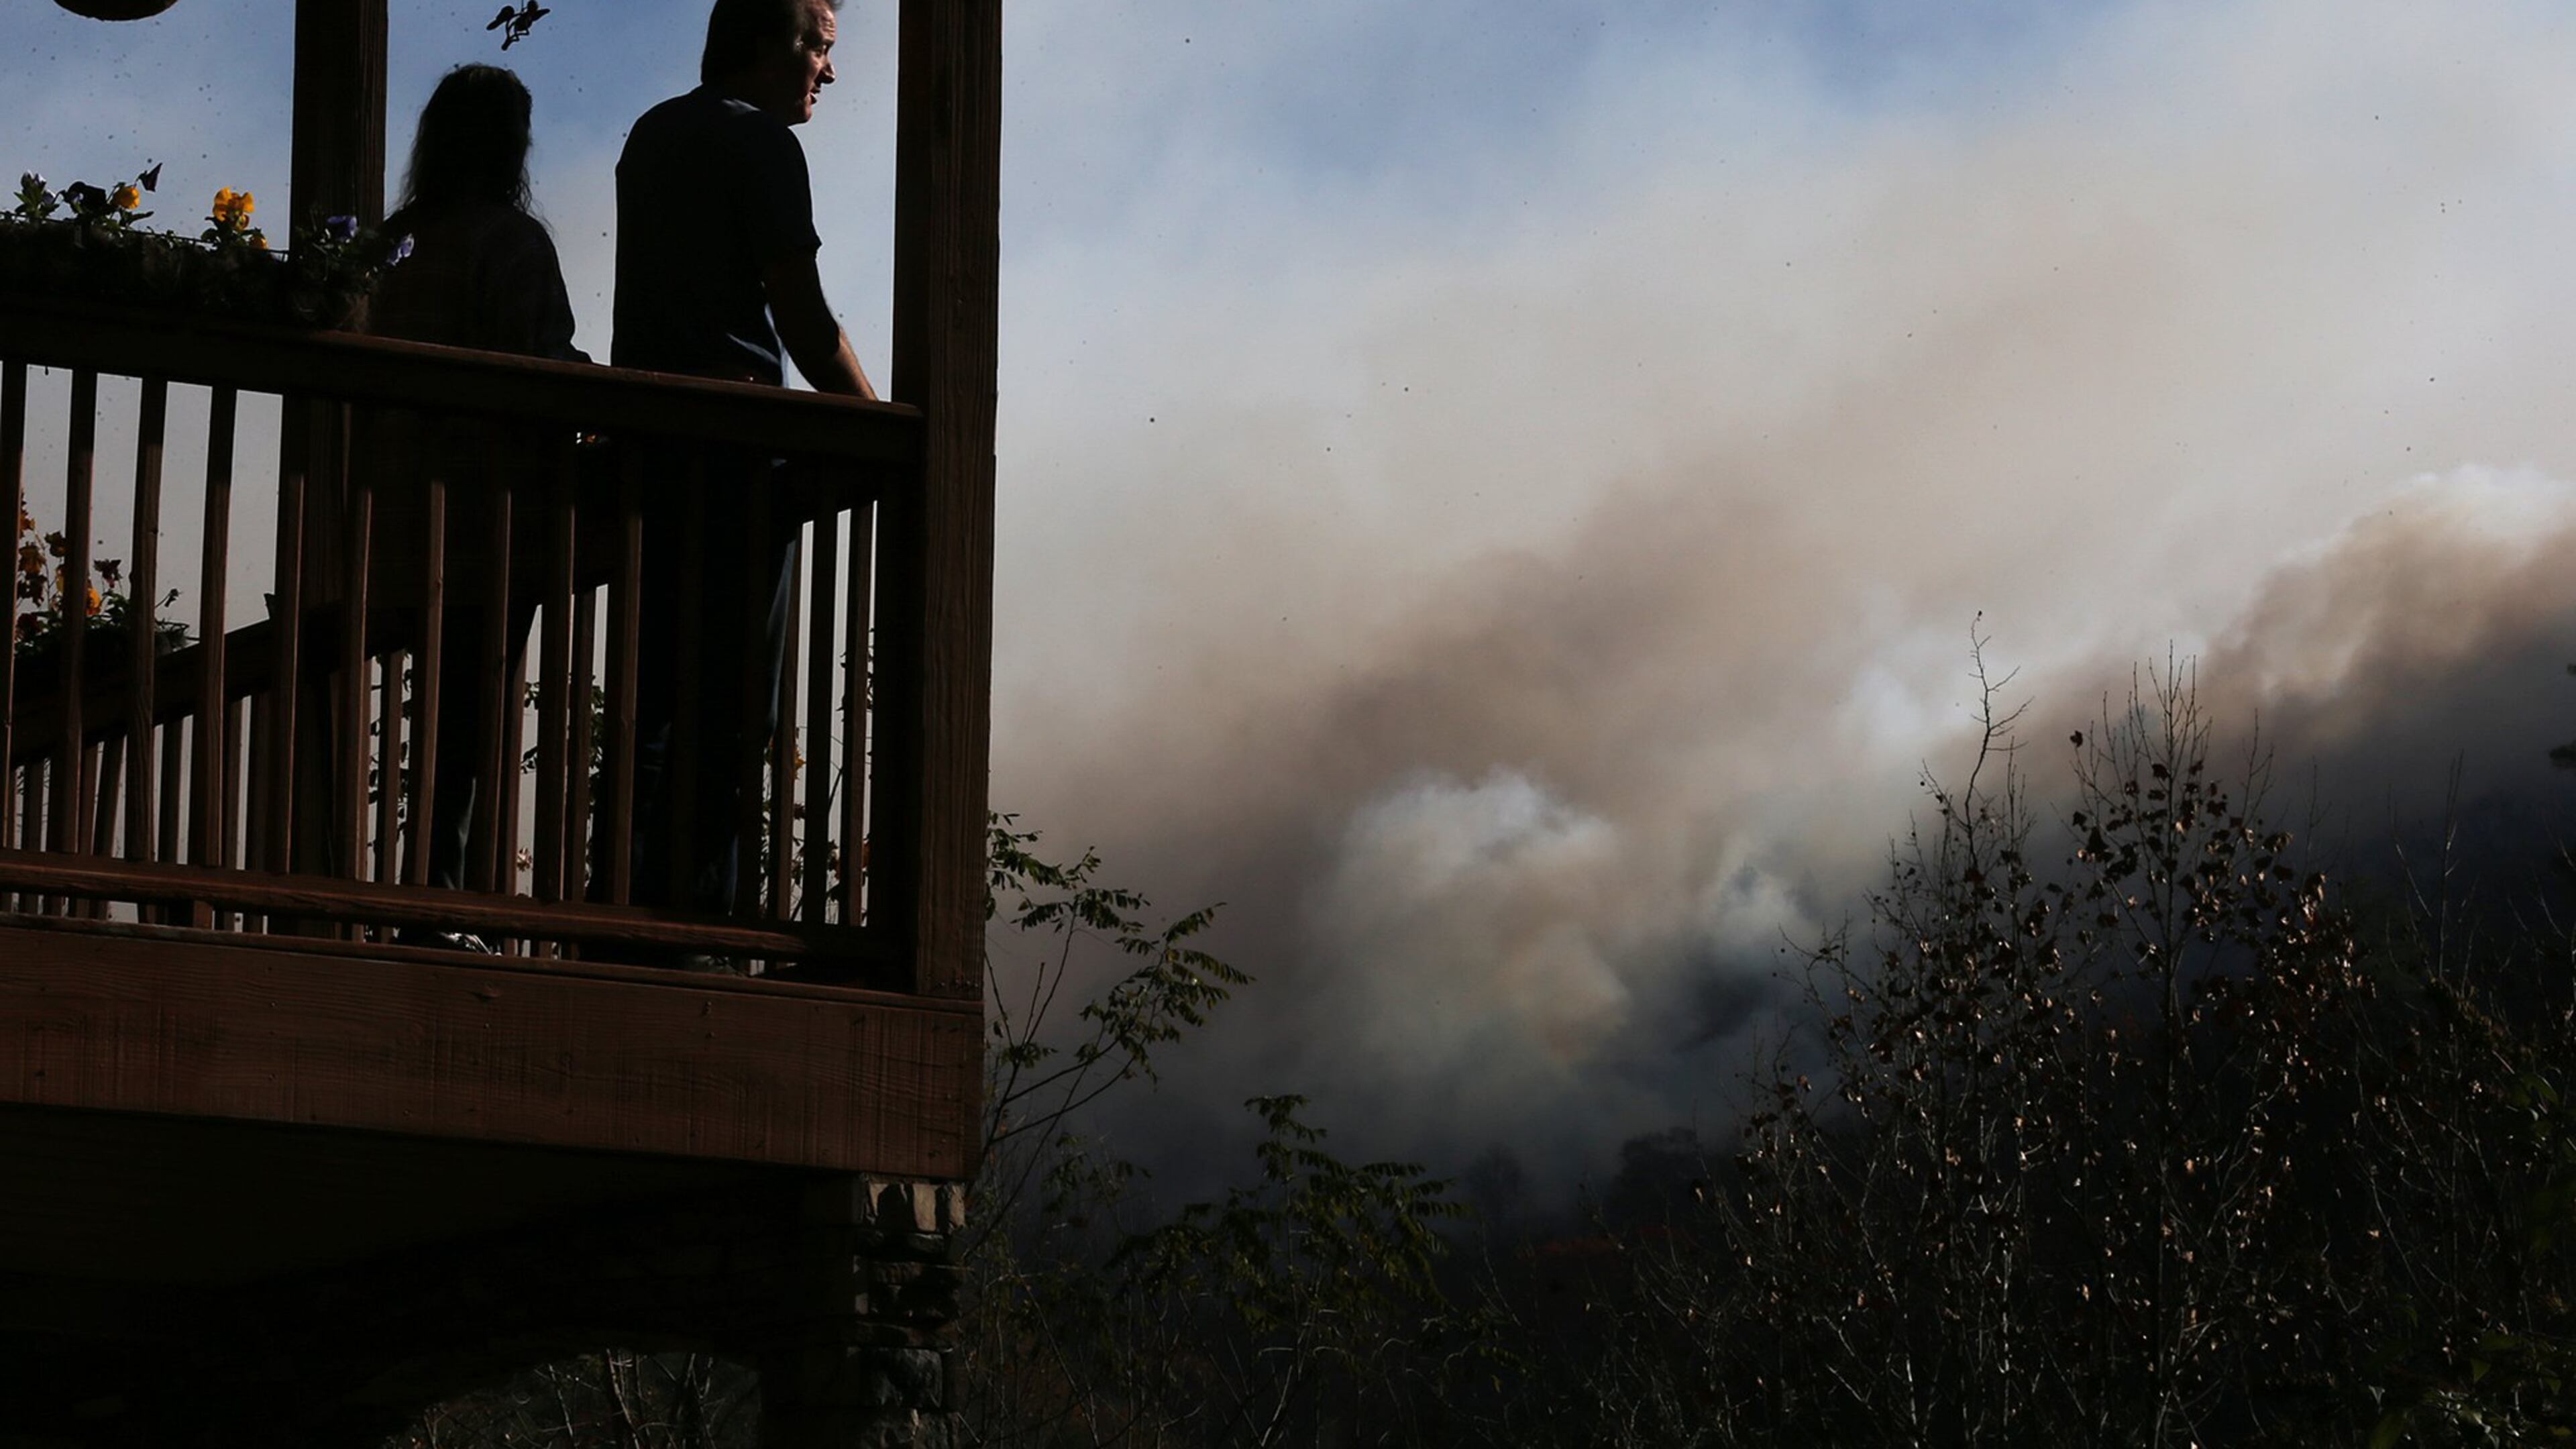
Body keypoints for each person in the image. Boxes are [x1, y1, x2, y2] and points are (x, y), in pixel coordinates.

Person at [613, 0, 874, 923]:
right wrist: (875, 426)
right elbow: (801, 314)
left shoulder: (654, 134)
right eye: (821, 47)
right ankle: (691, 929)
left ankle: (632, 923)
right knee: (728, 713)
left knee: (657, 703)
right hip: (730, 453)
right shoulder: (760, 144)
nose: (830, 72)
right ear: (769, 42)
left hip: (647, 448)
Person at [368, 63, 588, 911]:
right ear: (510, 146)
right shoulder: (512, 242)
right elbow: (539, 368)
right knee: (468, 718)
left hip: (388, 513)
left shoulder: (391, 240)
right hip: (485, 521)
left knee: (421, 710)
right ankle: (447, 902)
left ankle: (420, 894)